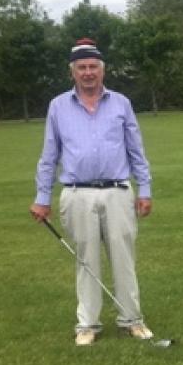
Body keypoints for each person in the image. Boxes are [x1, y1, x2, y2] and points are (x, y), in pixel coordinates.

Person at [30, 38, 155, 345]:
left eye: (93, 67)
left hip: (117, 192)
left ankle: (132, 320)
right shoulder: (58, 106)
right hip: (77, 194)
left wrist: (145, 189)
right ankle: (87, 325)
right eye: (82, 67)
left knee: (123, 258)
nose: (88, 73)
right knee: (86, 260)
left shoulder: (121, 103)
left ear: (103, 70)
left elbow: (136, 150)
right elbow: (49, 155)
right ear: (73, 72)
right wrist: (42, 198)